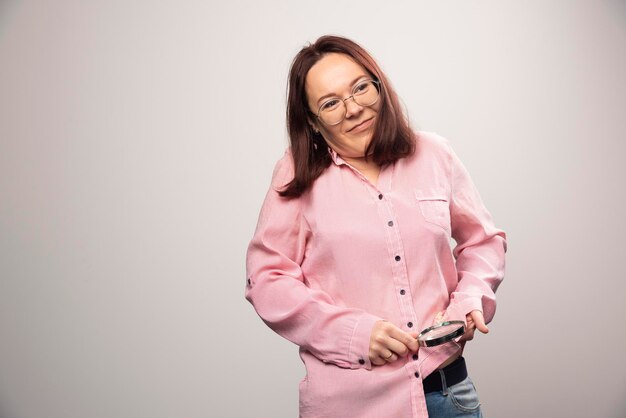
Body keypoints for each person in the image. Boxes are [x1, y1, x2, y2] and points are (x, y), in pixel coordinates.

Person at [245, 34, 507, 418]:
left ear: (379, 86)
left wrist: (469, 301)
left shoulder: (434, 154)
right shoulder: (296, 175)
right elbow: (266, 280)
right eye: (331, 103)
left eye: (361, 88)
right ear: (314, 123)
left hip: (447, 396)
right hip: (351, 407)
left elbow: (482, 242)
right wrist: (351, 333)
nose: (353, 109)